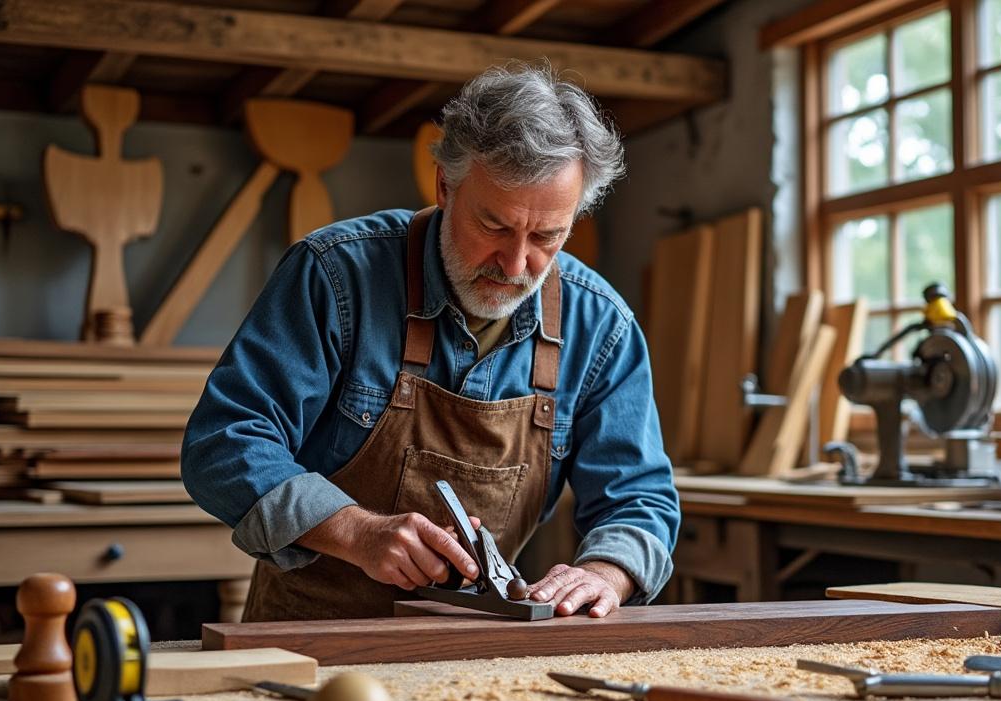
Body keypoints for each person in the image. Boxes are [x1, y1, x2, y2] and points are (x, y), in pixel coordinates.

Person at [181, 63, 680, 622]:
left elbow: (639, 499)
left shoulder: (601, 327)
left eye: (547, 236)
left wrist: (606, 572)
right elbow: (223, 442)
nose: (516, 265)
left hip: (474, 648)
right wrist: (355, 532)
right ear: (445, 185)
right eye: (494, 226)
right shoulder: (336, 277)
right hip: (307, 636)